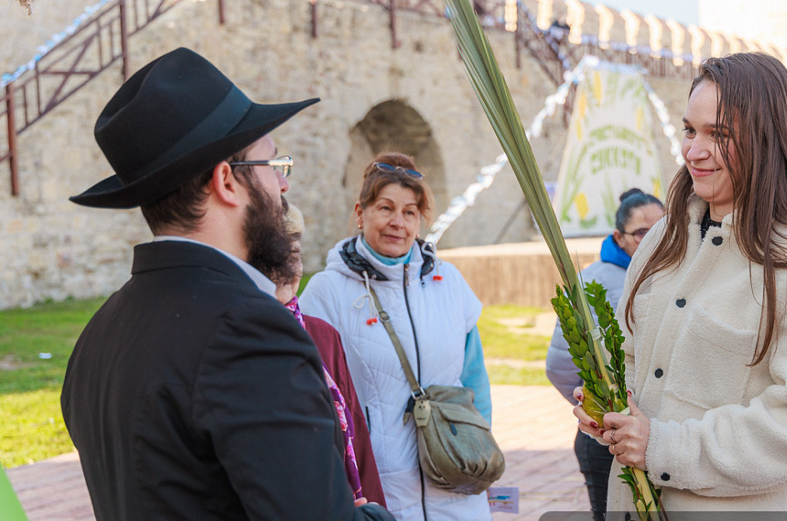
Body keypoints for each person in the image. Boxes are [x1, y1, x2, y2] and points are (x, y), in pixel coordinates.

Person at [60, 48, 392, 521]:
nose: (284, 187)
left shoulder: (99, 332)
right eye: (274, 167)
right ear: (227, 182)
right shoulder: (249, 331)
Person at [573, 52, 787, 512]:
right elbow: (632, 360)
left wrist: (664, 447)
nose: (694, 151)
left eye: (720, 135)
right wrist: (612, 409)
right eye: (690, 130)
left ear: (767, 141)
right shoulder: (660, 240)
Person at [299, 152, 492, 521]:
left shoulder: (449, 282)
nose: (397, 223)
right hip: (381, 492)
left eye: (409, 212)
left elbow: (475, 382)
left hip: (456, 482)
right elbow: (313, 395)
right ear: (360, 212)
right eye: (385, 208)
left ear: (420, 220)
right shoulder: (326, 292)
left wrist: (476, 453)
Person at [546, 188, 664, 520]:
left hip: (654, 437)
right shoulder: (596, 281)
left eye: (663, 227)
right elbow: (560, 364)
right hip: (608, 439)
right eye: (642, 232)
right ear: (619, 237)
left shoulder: (670, 278)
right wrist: (601, 407)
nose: (654, 239)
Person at [274, 203, 387, 506]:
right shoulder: (239, 336)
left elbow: (357, 438)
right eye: (272, 256)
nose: (286, 266)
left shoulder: (321, 334)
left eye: (294, 254)